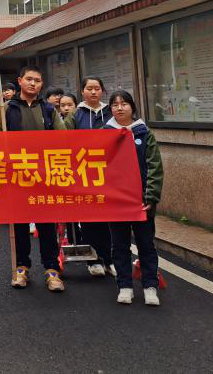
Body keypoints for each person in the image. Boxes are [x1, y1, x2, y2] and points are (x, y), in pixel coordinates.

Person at [0, 66, 67, 292]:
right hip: (17, 177)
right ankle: (21, 267)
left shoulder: (48, 109)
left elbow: (63, 138)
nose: (33, 83)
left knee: (46, 226)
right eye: (29, 79)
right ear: (20, 81)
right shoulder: (7, 109)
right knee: (20, 225)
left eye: (37, 80)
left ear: (41, 84)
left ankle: (52, 269)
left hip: (44, 177)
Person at [105, 90, 164, 306]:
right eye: (115, 104)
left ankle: (150, 286)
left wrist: (151, 196)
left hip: (142, 202)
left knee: (146, 244)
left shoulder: (144, 133)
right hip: (116, 202)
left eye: (124, 104)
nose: (119, 108)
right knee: (119, 245)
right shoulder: (104, 134)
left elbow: (155, 166)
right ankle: (125, 286)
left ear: (132, 107)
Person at [65, 76, 114, 277]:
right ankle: (93, 260)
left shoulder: (111, 112)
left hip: (108, 173)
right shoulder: (75, 115)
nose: (93, 92)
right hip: (83, 173)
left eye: (97, 88)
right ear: (82, 91)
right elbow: (64, 141)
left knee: (108, 219)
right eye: (89, 88)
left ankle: (109, 259)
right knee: (88, 219)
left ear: (102, 91)